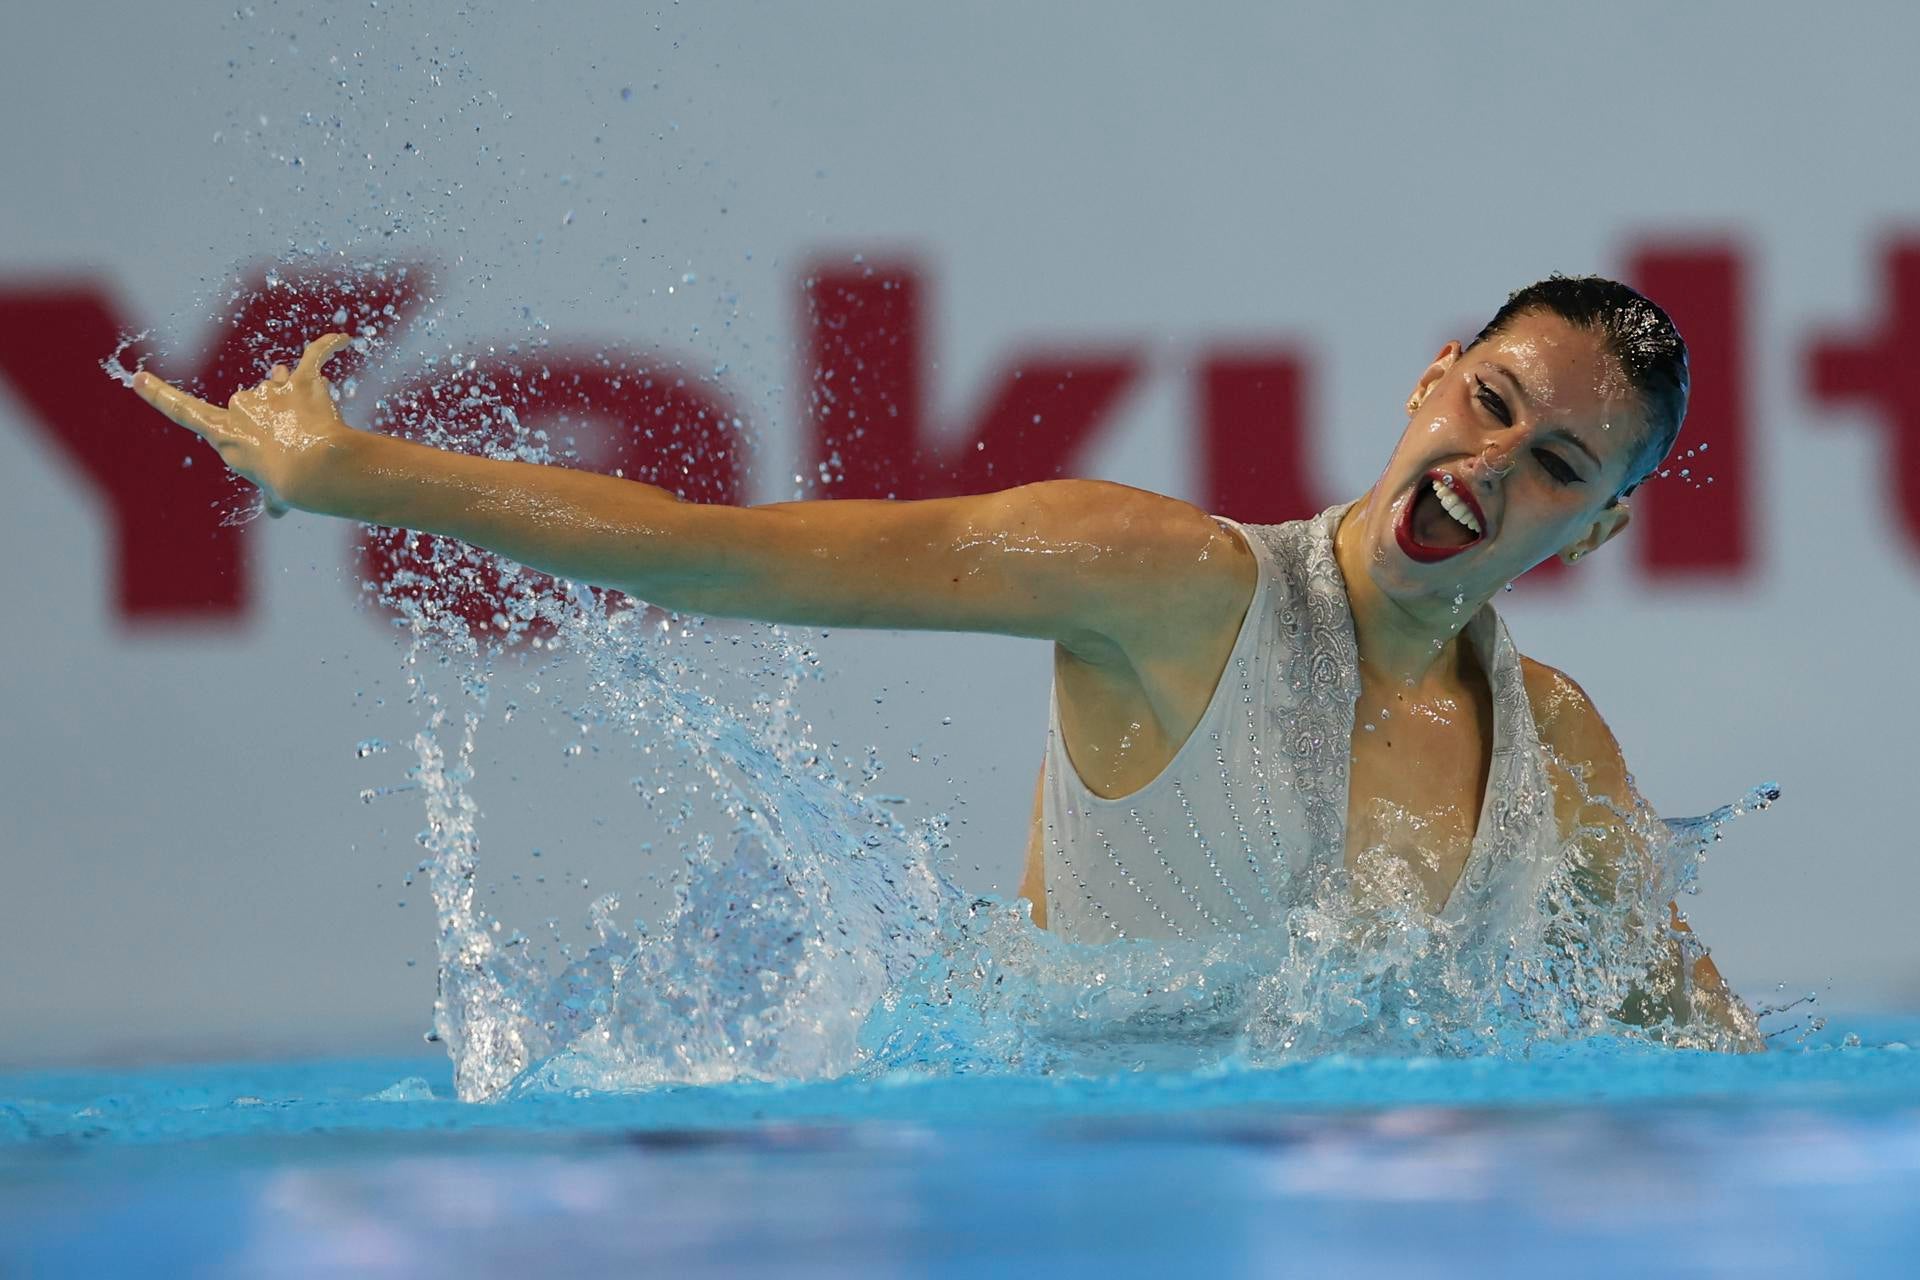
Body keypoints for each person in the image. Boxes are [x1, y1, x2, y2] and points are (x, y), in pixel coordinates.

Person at [130, 274, 1756, 1043]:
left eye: (1556, 464)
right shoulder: (1169, 589)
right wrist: (360, 475)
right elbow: (738, 553)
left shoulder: (1556, 745)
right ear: (1430, 378)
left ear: (1598, 530)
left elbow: (1676, 1024)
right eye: (1490, 402)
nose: (1491, 463)